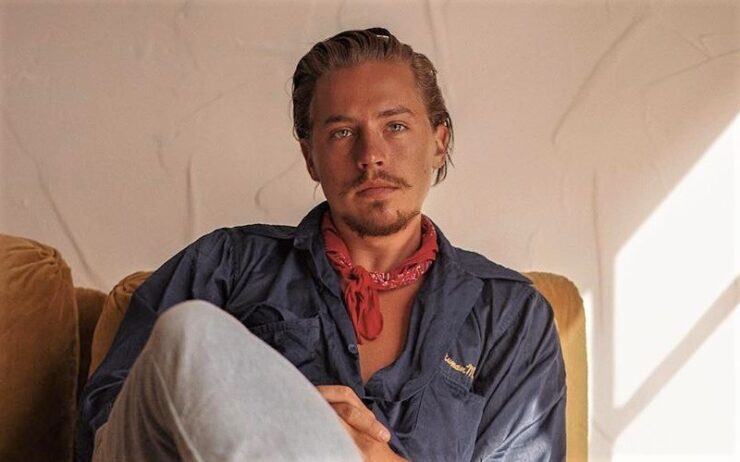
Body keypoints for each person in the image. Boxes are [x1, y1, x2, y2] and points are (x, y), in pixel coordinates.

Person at [76, 27, 566, 462]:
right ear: (310, 157)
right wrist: (272, 419)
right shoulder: (225, 265)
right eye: (342, 132)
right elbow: (110, 424)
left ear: (438, 143)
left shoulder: (511, 315)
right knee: (189, 331)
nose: (371, 155)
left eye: (394, 126)